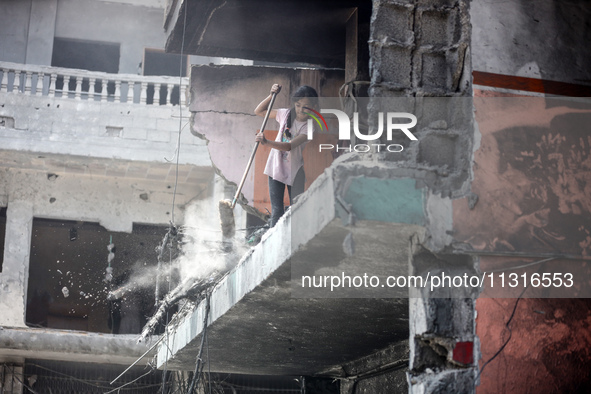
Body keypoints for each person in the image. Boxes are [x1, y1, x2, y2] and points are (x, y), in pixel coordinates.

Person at [254, 83, 319, 227]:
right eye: (298, 105)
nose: (301, 109)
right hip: (275, 167)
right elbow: (260, 111)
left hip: (295, 172)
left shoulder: (310, 127)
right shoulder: (285, 114)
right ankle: (273, 246)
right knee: (277, 210)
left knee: (296, 209)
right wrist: (271, 95)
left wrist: (266, 142)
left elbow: (289, 146)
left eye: (306, 106)